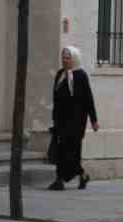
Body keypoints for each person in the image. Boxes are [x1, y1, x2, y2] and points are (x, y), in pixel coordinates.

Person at [49, 46, 98, 191]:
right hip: (61, 120)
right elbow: (56, 98)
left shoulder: (81, 76)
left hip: (76, 121)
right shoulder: (60, 74)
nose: (64, 60)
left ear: (75, 59)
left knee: (72, 152)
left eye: (68, 57)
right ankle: (61, 179)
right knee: (61, 150)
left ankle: (78, 175)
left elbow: (89, 99)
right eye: (63, 57)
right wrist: (54, 117)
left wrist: (94, 120)